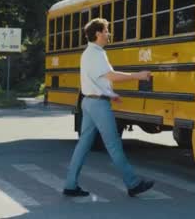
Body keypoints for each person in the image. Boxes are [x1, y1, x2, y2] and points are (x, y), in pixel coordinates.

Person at [63, 18, 154, 197]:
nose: (108, 34)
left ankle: (70, 184)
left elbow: (98, 80)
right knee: (113, 145)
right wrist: (138, 75)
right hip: (97, 105)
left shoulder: (89, 52)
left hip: (89, 102)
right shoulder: (96, 53)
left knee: (83, 145)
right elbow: (110, 76)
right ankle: (133, 183)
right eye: (106, 30)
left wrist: (111, 95)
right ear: (97, 34)